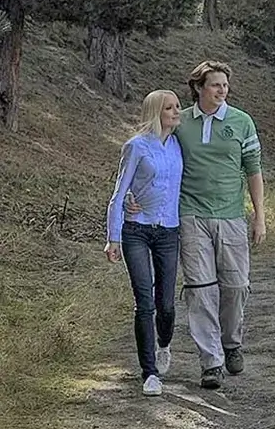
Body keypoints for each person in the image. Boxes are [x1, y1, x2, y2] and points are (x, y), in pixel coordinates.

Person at [176, 60, 266, 390]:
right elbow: (160, 158)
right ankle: (210, 362)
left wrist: (259, 216)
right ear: (199, 87)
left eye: (225, 85)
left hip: (230, 217)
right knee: (200, 290)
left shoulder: (241, 122)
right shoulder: (180, 122)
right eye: (215, 85)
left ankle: (231, 343)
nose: (222, 90)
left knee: (236, 286)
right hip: (191, 215)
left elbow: (253, 171)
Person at [104, 90, 185, 397]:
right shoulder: (135, 146)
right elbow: (119, 191)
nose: (177, 112)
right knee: (145, 301)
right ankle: (149, 372)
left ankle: (164, 344)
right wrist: (113, 237)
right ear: (155, 112)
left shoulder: (178, 145)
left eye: (178, 107)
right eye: (170, 108)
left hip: (168, 232)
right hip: (136, 231)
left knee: (166, 304)